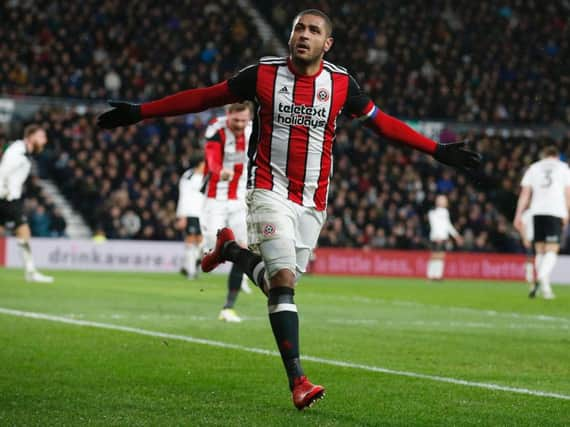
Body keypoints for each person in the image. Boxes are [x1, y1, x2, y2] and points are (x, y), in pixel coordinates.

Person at [98, 9, 481, 409]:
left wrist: (437, 151)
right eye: (299, 27)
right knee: (282, 280)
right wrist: (140, 112)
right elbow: (204, 97)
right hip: (267, 190)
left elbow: (382, 122)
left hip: (313, 202)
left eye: (314, 31)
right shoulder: (262, 75)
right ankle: (298, 380)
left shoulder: (340, 84)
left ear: (326, 43)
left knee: (278, 285)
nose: (304, 35)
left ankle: (230, 250)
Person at [514, 146, 570, 300]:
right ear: (557, 156)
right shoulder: (563, 168)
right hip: (555, 211)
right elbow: (568, 193)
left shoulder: (534, 167)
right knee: (552, 250)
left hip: (537, 212)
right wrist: (568, 213)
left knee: (540, 251)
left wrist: (518, 215)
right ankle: (542, 277)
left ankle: (545, 287)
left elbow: (525, 194)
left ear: (543, 156)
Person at [0, 124, 54, 283]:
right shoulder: (17, 151)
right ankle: (30, 272)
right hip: (7, 198)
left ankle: (30, 271)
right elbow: (2, 171)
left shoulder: (24, 152)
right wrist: (4, 191)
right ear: (31, 137)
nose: (45, 141)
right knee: (24, 231)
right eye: (41, 137)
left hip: (9, 197)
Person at [175, 154, 206, 280]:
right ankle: (191, 272)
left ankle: (187, 266)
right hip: (191, 213)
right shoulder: (188, 176)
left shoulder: (207, 176)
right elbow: (183, 196)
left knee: (202, 243)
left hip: (204, 214)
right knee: (191, 239)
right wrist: (181, 216)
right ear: (199, 163)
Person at [426, 195, 463, 281]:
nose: (444, 202)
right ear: (437, 202)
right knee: (435, 256)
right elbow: (433, 225)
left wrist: (456, 236)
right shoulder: (432, 212)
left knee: (441, 256)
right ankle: (431, 275)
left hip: (443, 237)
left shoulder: (445, 212)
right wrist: (437, 236)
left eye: (445, 200)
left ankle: (438, 276)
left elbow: (448, 225)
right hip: (436, 237)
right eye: (442, 200)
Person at [517, 208, 538, 296]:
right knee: (530, 259)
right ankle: (530, 279)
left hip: (539, 239)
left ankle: (536, 280)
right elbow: (521, 225)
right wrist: (524, 238)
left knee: (538, 260)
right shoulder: (528, 213)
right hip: (530, 239)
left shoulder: (540, 211)